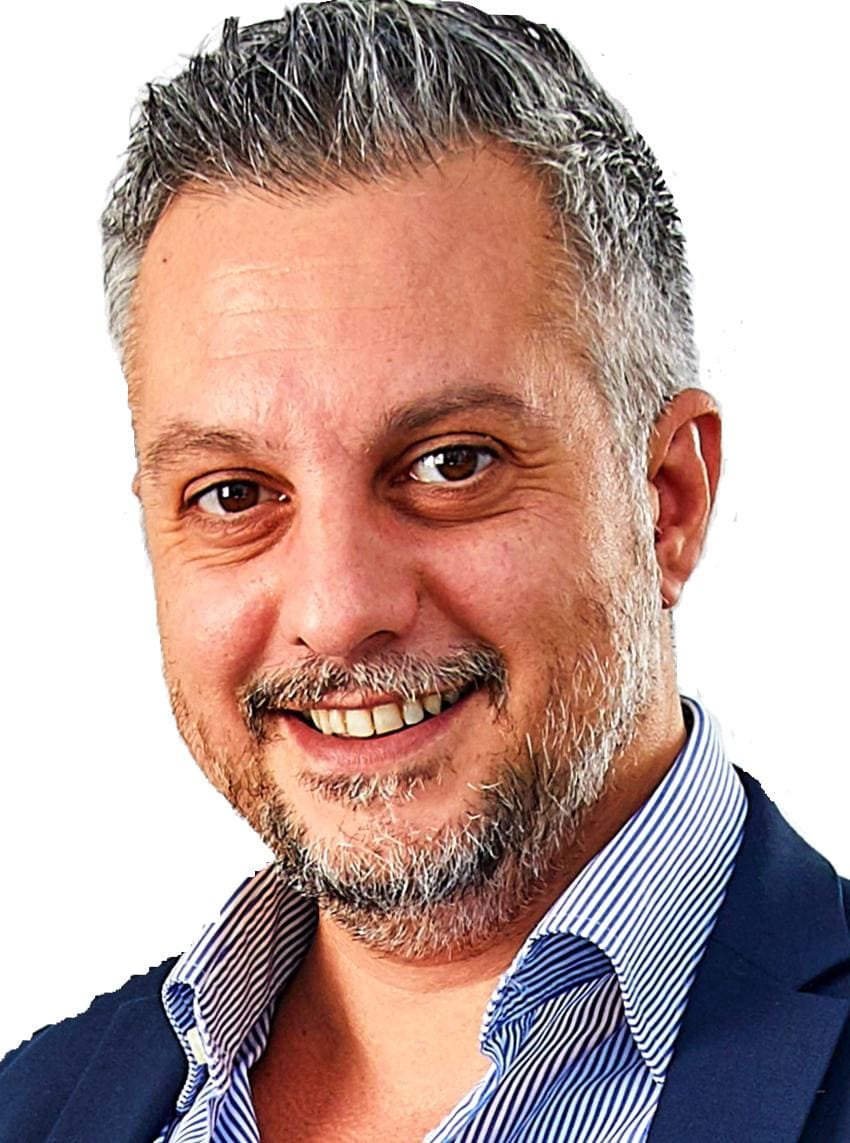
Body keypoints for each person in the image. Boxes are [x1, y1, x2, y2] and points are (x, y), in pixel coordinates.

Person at [2, 2, 848, 1140]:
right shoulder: (33, 1107)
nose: (339, 608)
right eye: (236, 494)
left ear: (667, 499)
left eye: (451, 464)